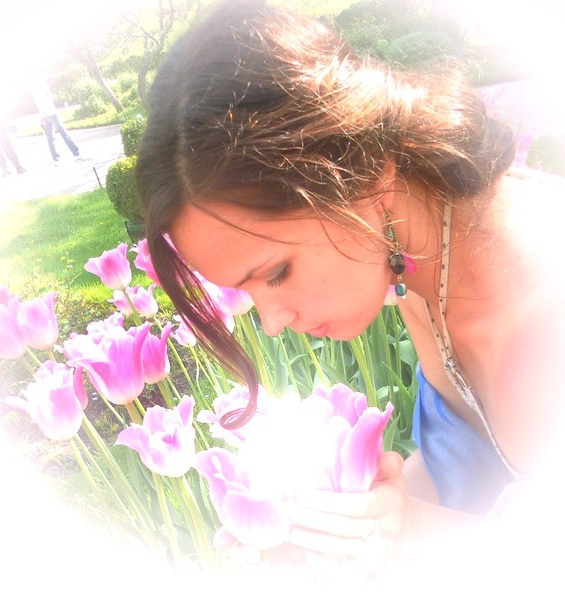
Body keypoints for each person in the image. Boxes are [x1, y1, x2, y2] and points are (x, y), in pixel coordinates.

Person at [135, 1, 565, 583]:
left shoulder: (547, 305)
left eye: (276, 272)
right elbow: (464, 471)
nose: (272, 323)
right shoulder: (418, 269)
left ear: (365, 171)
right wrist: (337, 524)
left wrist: (411, 528)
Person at [31, 75, 80, 162]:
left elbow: (37, 104)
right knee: (63, 133)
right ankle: (75, 151)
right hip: (52, 113)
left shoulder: (33, 89)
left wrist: (41, 117)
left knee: (50, 138)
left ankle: (55, 157)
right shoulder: (42, 83)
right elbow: (50, 96)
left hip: (44, 115)